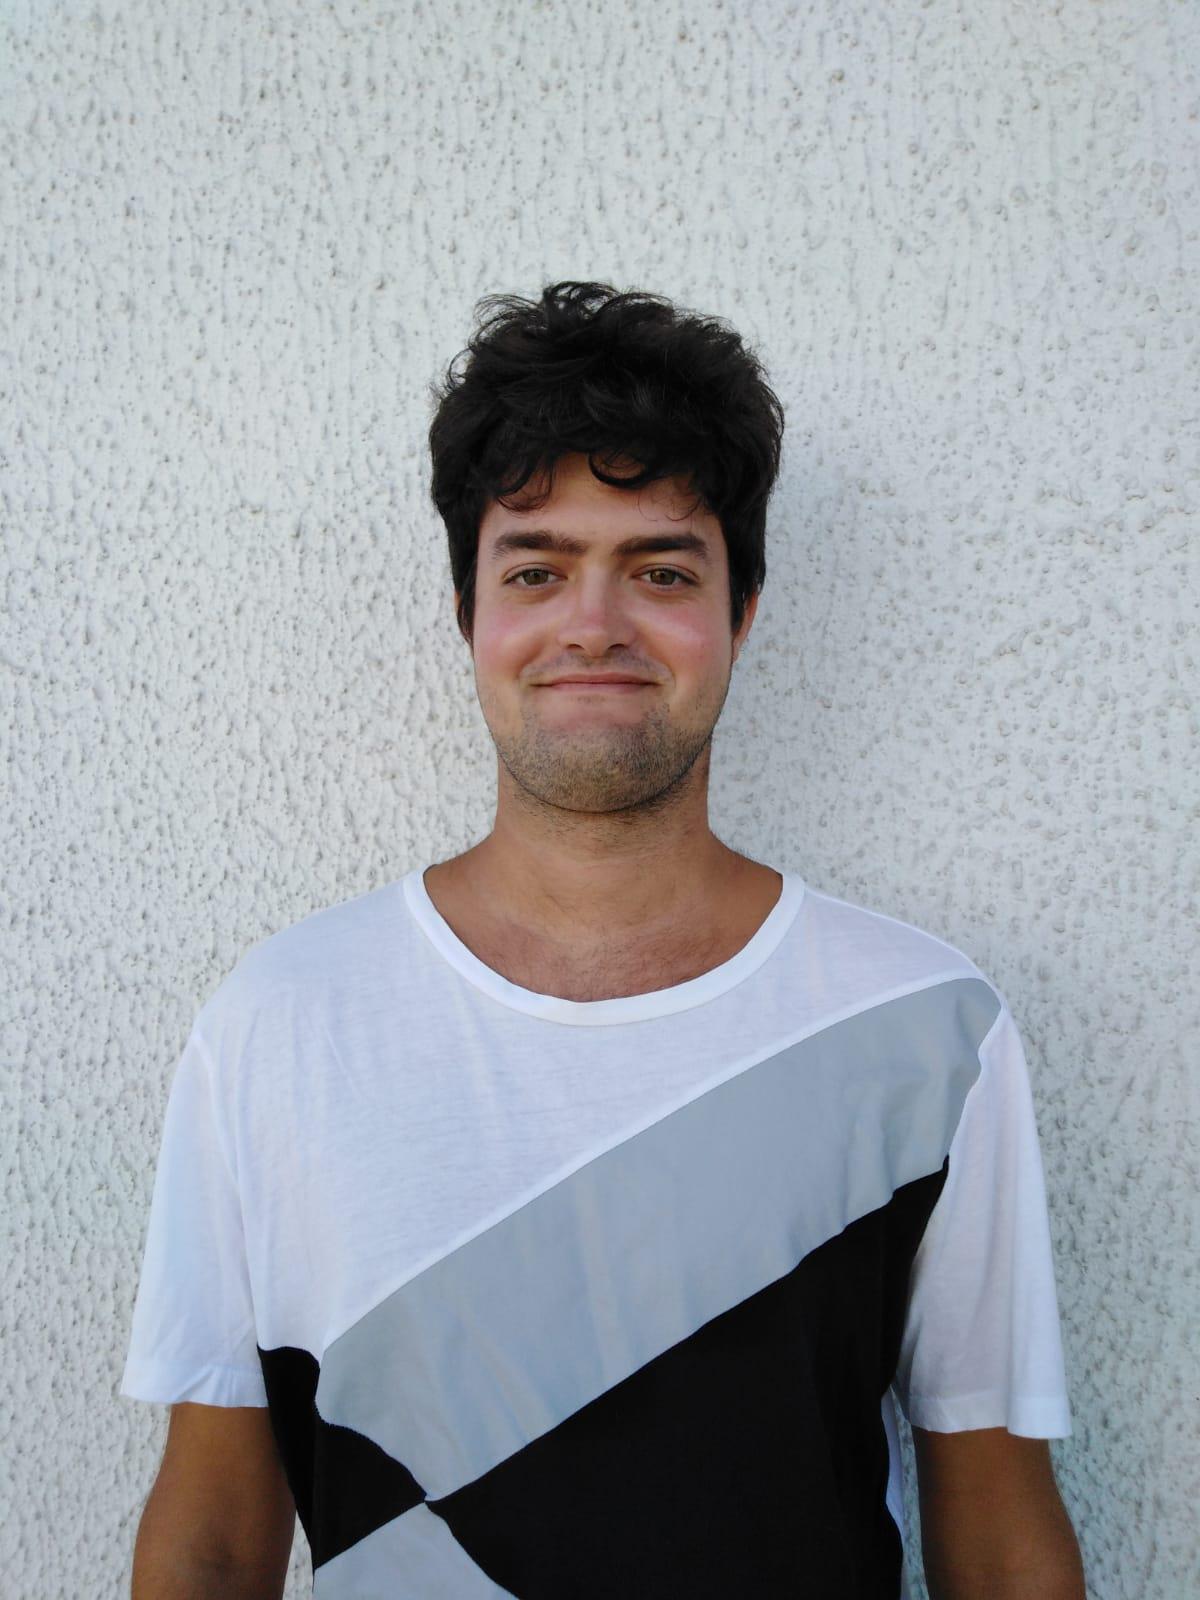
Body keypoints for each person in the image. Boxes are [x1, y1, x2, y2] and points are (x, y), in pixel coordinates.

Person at [120, 281, 1086, 1599]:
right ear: (468, 612)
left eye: (661, 571)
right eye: (536, 569)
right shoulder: (279, 1024)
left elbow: (1000, 1531)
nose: (594, 624)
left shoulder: (927, 1030)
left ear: (743, 611)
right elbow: (215, 1536)